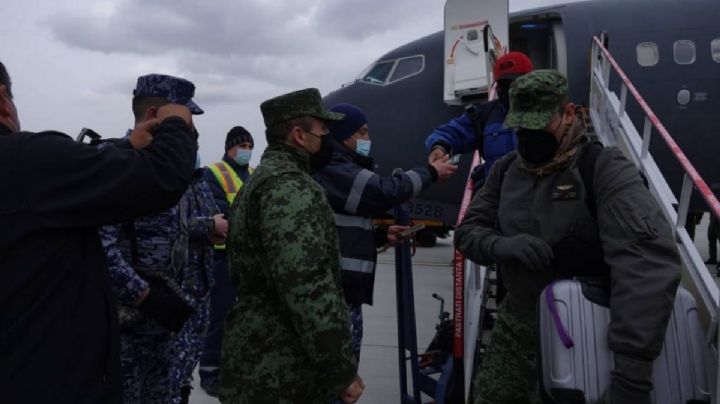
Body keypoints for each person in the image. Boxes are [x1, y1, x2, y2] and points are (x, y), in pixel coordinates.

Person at [454, 70, 681, 404]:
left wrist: (632, 372)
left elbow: (645, 263)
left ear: (568, 114)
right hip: (517, 326)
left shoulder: (603, 170)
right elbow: (467, 232)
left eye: (539, 124)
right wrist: (501, 245)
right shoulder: (505, 171)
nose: (530, 136)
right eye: (522, 127)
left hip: (585, 328)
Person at [0, 62, 198, 403]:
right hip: (57, 372)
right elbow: (160, 179)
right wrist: (178, 126)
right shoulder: (26, 161)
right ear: (3, 101)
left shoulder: (44, 175)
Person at [219, 88, 364, 403]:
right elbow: (308, 288)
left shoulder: (259, 182)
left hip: (257, 355)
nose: (328, 137)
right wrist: (340, 369)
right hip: (283, 368)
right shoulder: (290, 188)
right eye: (323, 130)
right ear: (299, 135)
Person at [98, 74, 226, 404]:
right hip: (125, 326)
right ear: (156, 114)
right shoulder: (113, 163)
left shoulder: (171, 170)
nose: (191, 128)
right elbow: (100, 247)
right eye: (185, 116)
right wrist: (144, 296)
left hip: (165, 327)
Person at [313, 103, 457, 359]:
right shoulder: (336, 169)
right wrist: (430, 173)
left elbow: (340, 226)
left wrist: (381, 235)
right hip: (335, 294)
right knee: (339, 372)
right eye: (363, 132)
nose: (368, 139)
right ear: (345, 136)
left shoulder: (339, 166)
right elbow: (382, 192)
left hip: (343, 291)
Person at [200, 126, 255, 396]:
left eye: (249, 145)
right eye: (242, 145)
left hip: (248, 258)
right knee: (220, 315)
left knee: (246, 316)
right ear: (230, 147)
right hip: (223, 256)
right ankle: (210, 371)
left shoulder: (255, 174)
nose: (246, 149)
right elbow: (220, 213)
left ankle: (237, 368)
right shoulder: (215, 173)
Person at [425, 51, 533, 187]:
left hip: (538, 195)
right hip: (500, 197)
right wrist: (439, 147)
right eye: (503, 84)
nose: (509, 90)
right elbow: (452, 132)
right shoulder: (485, 115)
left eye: (514, 83)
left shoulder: (548, 111)